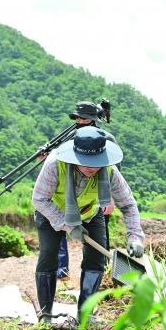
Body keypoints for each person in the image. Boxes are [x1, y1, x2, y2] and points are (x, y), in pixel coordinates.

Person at [32, 126, 145, 324]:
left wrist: (135, 236)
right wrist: (67, 225)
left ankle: (85, 314)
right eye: (85, 162)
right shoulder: (54, 164)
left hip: (90, 213)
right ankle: (45, 315)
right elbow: (40, 199)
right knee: (49, 253)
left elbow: (128, 204)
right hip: (52, 211)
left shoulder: (109, 171)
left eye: (96, 162)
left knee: (97, 259)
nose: (91, 168)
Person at [49, 102, 118, 283]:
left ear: (94, 120)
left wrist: (110, 197)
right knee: (59, 227)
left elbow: (113, 171)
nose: (79, 121)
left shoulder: (107, 139)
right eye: (77, 118)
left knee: (98, 238)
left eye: (83, 118)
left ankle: (102, 275)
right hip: (69, 197)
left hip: (96, 197)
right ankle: (61, 269)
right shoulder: (71, 138)